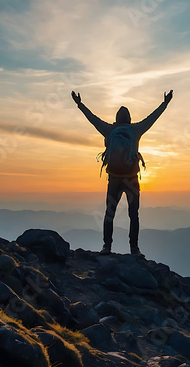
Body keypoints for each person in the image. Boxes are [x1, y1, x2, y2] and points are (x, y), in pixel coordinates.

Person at [71, 90, 173, 257]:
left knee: (109, 213)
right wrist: (165, 103)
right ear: (130, 119)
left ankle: (107, 247)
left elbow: (92, 119)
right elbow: (152, 118)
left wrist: (80, 104)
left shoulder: (109, 130)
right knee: (133, 214)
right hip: (131, 179)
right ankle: (134, 249)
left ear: (116, 119)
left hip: (114, 179)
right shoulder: (136, 129)